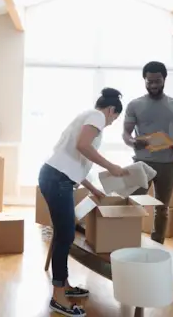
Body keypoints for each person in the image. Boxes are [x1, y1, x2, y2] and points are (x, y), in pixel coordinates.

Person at [39, 87, 127, 317]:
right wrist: (111, 167)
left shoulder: (87, 115)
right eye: (114, 118)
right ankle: (58, 296)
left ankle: (64, 285)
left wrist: (94, 189)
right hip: (58, 179)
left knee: (64, 233)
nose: (111, 123)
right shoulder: (97, 116)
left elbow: (76, 162)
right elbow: (83, 146)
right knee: (65, 235)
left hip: (57, 176)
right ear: (110, 110)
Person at [122, 61, 173, 244]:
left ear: (164, 79)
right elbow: (126, 134)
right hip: (142, 163)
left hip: (168, 164)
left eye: (157, 81)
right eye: (149, 81)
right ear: (144, 80)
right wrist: (134, 142)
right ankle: (129, 243)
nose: (153, 85)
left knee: (162, 208)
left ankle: (157, 245)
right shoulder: (134, 105)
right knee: (133, 204)